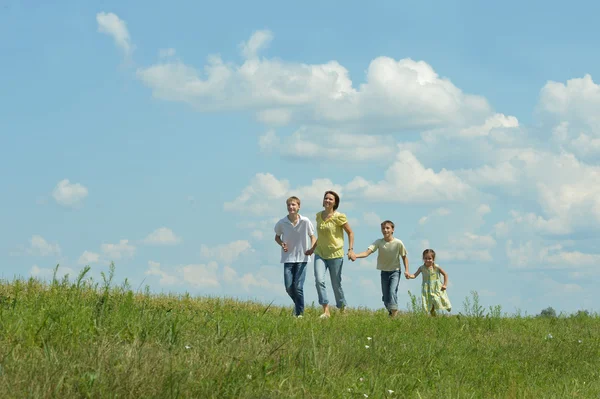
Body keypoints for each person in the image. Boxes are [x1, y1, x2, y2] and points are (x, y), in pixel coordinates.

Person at [306, 190, 354, 319]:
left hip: (335, 254)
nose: (327, 200)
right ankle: (326, 310)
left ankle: (342, 307)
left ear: (335, 203)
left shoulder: (339, 217)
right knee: (319, 280)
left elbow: (350, 233)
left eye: (330, 199)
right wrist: (312, 249)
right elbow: (320, 237)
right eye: (326, 198)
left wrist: (350, 249)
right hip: (320, 253)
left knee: (336, 283)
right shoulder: (318, 216)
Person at [350, 220, 410, 317]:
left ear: (393, 230)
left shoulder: (398, 243)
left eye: (388, 228)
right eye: (383, 228)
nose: (385, 230)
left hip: (395, 271)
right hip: (384, 272)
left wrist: (407, 270)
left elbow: (404, 257)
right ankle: (390, 312)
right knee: (386, 297)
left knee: (392, 292)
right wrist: (355, 256)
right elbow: (367, 253)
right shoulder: (379, 242)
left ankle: (394, 314)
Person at [274, 196, 316, 318]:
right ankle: (298, 305)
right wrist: (282, 244)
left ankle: (300, 314)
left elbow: (313, 237)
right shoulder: (282, 223)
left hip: (302, 258)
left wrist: (312, 249)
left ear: (298, 206)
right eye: (289, 205)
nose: (291, 207)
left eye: (293, 205)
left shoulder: (305, 221)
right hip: (288, 259)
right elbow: (277, 237)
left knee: (298, 286)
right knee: (288, 287)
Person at [408, 249, 452, 316]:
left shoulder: (436, 267)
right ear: (423, 259)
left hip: (436, 288)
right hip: (427, 288)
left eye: (430, 258)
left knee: (437, 299)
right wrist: (409, 276)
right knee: (429, 302)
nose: (428, 260)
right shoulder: (422, 268)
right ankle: (434, 316)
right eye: (425, 258)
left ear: (433, 259)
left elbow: (445, 274)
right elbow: (414, 275)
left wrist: (445, 285)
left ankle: (447, 306)